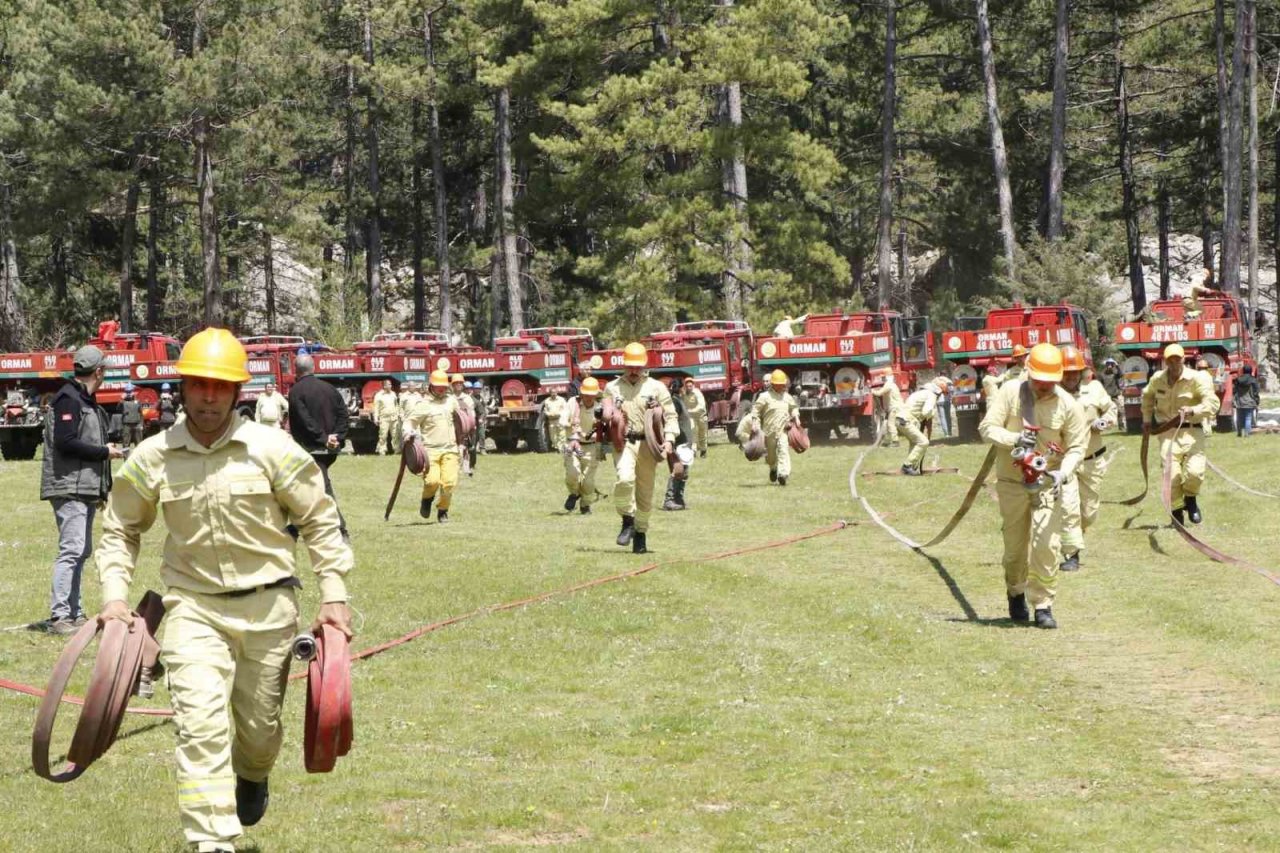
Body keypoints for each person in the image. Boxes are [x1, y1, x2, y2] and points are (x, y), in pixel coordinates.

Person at [95, 327, 353, 853]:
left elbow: (321, 521)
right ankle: (211, 841)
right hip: (193, 610)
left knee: (259, 731)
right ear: (183, 388)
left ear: (239, 392)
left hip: (269, 607)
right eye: (198, 386)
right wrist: (115, 598)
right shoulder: (153, 456)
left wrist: (333, 596)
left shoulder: (272, 450)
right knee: (199, 726)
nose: (208, 398)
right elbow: (121, 528)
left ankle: (253, 774)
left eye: (220, 387)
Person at [979, 343, 1088, 630]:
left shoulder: (1068, 404)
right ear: (1029, 372)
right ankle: (1015, 591)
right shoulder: (1010, 392)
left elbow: (1077, 447)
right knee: (1015, 550)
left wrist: (1062, 473)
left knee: (1047, 546)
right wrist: (1014, 439)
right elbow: (987, 428)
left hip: (1047, 484)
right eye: (1039, 380)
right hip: (1012, 483)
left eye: (1050, 381)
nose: (1044, 386)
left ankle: (1043, 604)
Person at [35, 345, 123, 635]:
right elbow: (65, 442)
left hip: (82, 487)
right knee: (71, 550)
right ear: (98, 371)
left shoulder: (85, 398)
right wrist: (103, 452)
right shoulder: (68, 399)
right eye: (105, 370)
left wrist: (97, 488)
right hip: (68, 486)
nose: (106, 374)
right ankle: (60, 616)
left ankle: (74, 613)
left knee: (81, 550)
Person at [605, 342, 678, 554]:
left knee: (645, 493)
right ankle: (627, 519)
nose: (634, 370)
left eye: (638, 366)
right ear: (624, 365)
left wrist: (670, 439)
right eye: (630, 366)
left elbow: (671, 415)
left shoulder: (656, 387)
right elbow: (604, 415)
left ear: (644, 365)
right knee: (624, 479)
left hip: (649, 444)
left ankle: (641, 534)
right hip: (624, 442)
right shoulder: (612, 387)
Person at [1141, 343, 1220, 525]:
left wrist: (1194, 410)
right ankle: (1176, 513)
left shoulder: (1196, 378)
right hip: (1167, 433)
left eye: (1178, 358)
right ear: (1165, 361)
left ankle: (1190, 499)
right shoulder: (1157, 379)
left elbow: (1213, 404)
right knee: (1171, 474)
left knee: (1195, 472)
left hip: (1193, 431)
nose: (1174, 362)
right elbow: (1147, 397)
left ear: (1184, 359)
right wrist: (1146, 419)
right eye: (1170, 359)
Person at [1058, 347, 1117, 572]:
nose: (1071, 377)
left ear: (1082, 371)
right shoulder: (1053, 394)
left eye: (1075, 372)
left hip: (1092, 460)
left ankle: (1076, 536)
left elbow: (1110, 410)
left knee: (1088, 513)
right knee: (1068, 507)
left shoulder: (1094, 389)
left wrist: (1105, 422)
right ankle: (1071, 553)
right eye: (1067, 372)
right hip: (1066, 462)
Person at [287, 353, 350, 538]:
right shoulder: (330, 389)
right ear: (313, 368)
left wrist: (323, 438)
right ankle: (296, 527)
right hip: (329, 450)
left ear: (296, 370)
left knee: (321, 487)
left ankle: (341, 529)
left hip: (310, 449)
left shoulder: (296, 392)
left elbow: (305, 420)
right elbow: (344, 415)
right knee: (306, 486)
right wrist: (336, 437)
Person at [404, 369, 460, 523]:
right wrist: (407, 433)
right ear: (431, 387)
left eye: (444, 386)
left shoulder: (452, 401)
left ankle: (443, 511)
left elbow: (462, 420)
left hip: (451, 449)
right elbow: (410, 422)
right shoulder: (423, 404)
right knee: (432, 482)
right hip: (430, 451)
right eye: (438, 386)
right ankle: (426, 499)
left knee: (449, 483)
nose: (441, 389)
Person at [561, 377, 604, 514]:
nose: (589, 398)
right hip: (572, 444)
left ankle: (585, 505)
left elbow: (604, 430)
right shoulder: (572, 403)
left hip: (591, 447)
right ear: (581, 393)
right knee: (572, 474)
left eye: (592, 395)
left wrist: (590, 435)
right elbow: (562, 420)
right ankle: (574, 493)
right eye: (586, 395)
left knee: (588, 481)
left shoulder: (600, 408)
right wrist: (572, 426)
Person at [753, 369, 801, 486]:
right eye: (778, 385)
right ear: (773, 384)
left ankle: (783, 474)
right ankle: (773, 468)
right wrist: (755, 423)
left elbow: (793, 407)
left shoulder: (787, 397)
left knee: (783, 450)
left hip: (783, 431)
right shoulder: (764, 397)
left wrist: (796, 417)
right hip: (768, 432)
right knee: (771, 456)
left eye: (782, 385)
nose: (781, 387)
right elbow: (756, 410)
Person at [899, 377, 950, 475]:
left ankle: (912, 467)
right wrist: (931, 414)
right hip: (907, 420)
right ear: (938, 390)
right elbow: (926, 411)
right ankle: (907, 466)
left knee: (915, 443)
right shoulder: (931, 395)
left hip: (901, 419)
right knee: (923, 442)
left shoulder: (921, 392)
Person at [663, 378, 696, 510]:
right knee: (678, 470)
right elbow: (672, 423)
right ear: (681, 389)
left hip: (684, 442)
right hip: (679, 442)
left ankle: (678, 499)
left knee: (684, 472)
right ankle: (669, 500)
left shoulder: (677, 401)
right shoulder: (675, 403)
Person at [871, 371, 905, 446]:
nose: (882, 379)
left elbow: (879, 393)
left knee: (890, 424)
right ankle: (887, 441)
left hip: (894, 407)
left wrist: (871, 391)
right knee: (886, 425)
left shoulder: (888, 385)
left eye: (883, 377)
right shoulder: (892, 384)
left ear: (887, 377)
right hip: (894, 407)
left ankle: (895, 441)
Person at [678, 378, 709, 457]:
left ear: (693, 386)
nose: (689, 387)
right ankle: (693, 451)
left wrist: (689, 411)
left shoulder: (697, 393)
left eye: (690, 386)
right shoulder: (683, 394)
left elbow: (701, 406)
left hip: (700, 415)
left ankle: (703, 450)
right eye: (687, 386)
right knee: (692, 432)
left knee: (702, 434)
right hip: (690, 416)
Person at [371, 379, 400, 455]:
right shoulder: (379, 395)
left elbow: (396, 405)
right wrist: (376, 418)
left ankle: (396, 450)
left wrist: (398, 414)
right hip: (384, 418)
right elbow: (376, 408)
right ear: (384, 386)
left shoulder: (393, 394)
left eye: (390, 384)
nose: (390, 386)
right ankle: (382, 450)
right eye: (389, 384)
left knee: (395, 435)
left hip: (394, 418)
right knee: (383, 435)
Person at [1233, 364, 1260, 437]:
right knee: (1248, 418)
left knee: (1239, 418)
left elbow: (1234, 391)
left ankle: (1239, 433)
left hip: (1239, 402)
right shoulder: (1253, 380)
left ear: (1243, 371)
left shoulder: (1238, 380)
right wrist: (1257, 401)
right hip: (1250, 402)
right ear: (1251, 371)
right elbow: (1256, 392)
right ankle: (1247, 433)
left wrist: (1234, 401)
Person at [1098, 358, 1125, 429]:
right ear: (1106, 365)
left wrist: (1117, 365)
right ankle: (1103, 426)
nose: (1109, 366)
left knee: (1120, 411)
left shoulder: (1115, 374)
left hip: (1114, 396)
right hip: (1105, 397)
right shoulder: (1101, 375)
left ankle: (1121, 426)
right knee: (1102, 412)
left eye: (1111, 364)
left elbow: (1121, 374)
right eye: (1108, 364)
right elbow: (1099, 385)